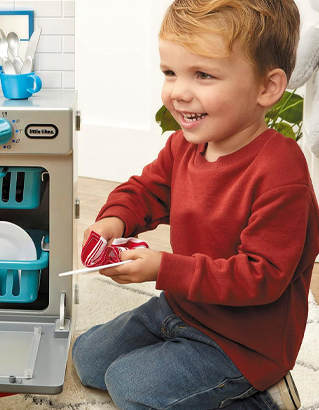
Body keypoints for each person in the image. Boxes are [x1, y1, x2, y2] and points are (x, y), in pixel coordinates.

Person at [72, 0, 318, 409]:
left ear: (267, 87)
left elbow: (261, 276)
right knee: (88, 358)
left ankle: (265, 396)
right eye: (170, 72)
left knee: (129, 387)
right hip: (184, 306)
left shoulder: (281, 171)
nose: (179, 92)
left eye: (203, 75)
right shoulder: (185, 147)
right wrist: (114, 220)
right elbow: (146, 190)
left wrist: (163, 267)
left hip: (244, 343)